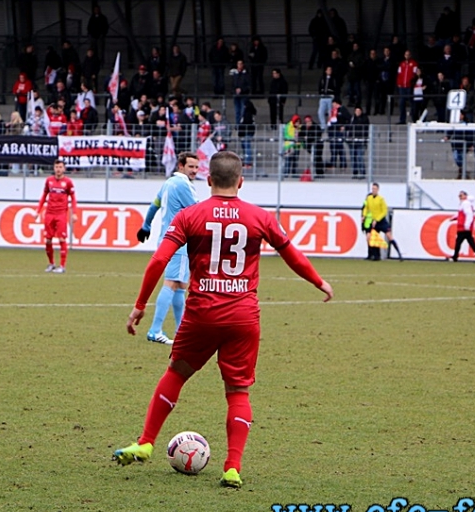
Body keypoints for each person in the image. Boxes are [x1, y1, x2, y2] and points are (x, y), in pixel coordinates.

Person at [115, 150, 334, 489]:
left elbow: (158, 261)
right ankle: (232, 467)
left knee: (176, 373)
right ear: (241, 181)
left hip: (201, 313)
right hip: (243, 317)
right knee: (238, 390)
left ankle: (145, 443)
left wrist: (140, 304)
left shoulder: (190, 215)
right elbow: (291, 253)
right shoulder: (259, 216)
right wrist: (319, 281)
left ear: (208, 180)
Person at [135, 152, 200, 345]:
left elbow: (154, 205)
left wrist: (146, 225)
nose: (195, 171)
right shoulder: (182, 184)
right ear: (181, 166)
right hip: (179, 241)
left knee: (180, 285)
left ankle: (181, 332)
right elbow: (198, 211)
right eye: (191, 167)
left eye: (197, 167)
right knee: (172, 283)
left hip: (167, 239)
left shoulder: (168, 183)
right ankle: (155, 329)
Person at [35, 160, 77, 273]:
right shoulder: (49, 181)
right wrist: (38, 210)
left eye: (60, 167)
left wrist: (74, 213)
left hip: (61, 214)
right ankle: (51, 264)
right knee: (48, 240)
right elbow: (44, 196)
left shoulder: (68, 182)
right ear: (54, 168)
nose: (58, 169)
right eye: (56, 167)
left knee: (62, 238)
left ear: (64, 169)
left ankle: (62, 266)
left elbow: (73, 199)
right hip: (49, 213)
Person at [363, 182, 401, 260]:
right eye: (373, 188)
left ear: (378, 190)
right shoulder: (369, 198)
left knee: (389, 236)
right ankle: (374, 255)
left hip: (381, 221)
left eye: (375, 189)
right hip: (374, 221)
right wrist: (364, 215)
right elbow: (366, 207)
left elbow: (384, 211)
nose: (374, 190)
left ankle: (399, 254)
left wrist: (377, 219)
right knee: (371, 237)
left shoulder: (381, 199)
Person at [449, 191, 475, 262]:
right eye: (459, 196)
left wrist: (467, 224)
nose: (460, 197)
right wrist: (454, 218)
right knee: (470, 242)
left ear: (465, 196)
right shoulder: (464, 203)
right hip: (463, 227)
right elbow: (461, 214)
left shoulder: (465, 203)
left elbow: (469, 214)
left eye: (461, 195)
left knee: (459, 242)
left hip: (463, 227)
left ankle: (455, 257)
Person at [396, 50, 418, 124]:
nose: (407, 56)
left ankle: (414, 119)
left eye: (408, 54)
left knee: (412, 103)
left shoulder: (414, 64)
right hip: (402, 87)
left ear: (410, 55)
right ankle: (402, 119)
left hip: (410, 86)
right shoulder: (401, 64)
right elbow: (399, 74)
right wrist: (399, 83)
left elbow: (415, 74)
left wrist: (412, 83)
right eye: (406, 54)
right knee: (401, 103)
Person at [232, 59, 251, 126]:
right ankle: (238, 124)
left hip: (244, 95)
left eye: (240, 64)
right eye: (238, 64)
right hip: (236, 95)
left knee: (243, 110)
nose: (239, 65)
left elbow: (248, 85)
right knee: (237, 111)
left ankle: (242, 124)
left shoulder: (246, 74)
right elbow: (233, 84)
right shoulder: (235, 74)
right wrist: (235, 90)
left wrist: (242, 89)